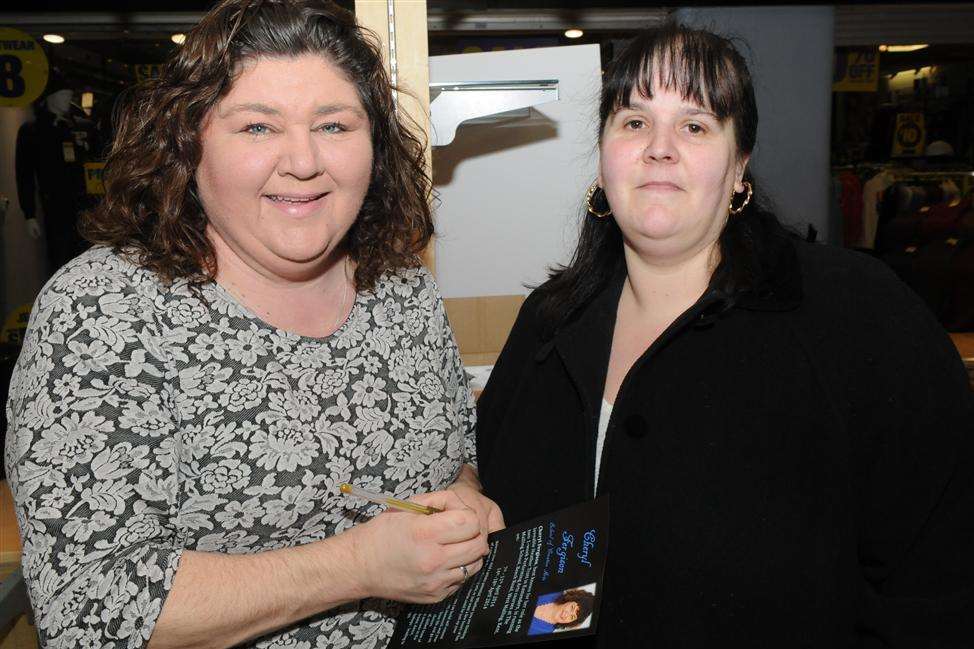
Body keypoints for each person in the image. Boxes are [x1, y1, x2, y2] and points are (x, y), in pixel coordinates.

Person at [4, 2, 502, 648]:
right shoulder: (104, 310)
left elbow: (457, 452)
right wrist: (356, 566)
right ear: (188, 145)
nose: (303, 161)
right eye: (258, 128)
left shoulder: (399, 284)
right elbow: (91, 607)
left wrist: (463, 499)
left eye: (333, 124)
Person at [476, 23, 974, 648]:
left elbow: (940, 576)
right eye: (634, 122)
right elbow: (508, 534)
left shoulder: (857, 316)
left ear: (740, 167)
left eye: (695, 125)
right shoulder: (547, 323)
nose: (659, 148)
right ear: (602, 160)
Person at [527, 588, 595, 635]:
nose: (566, 615)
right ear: (570, 599)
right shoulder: (553, 588)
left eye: (572, 617)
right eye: (572, 607)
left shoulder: (542, 633)